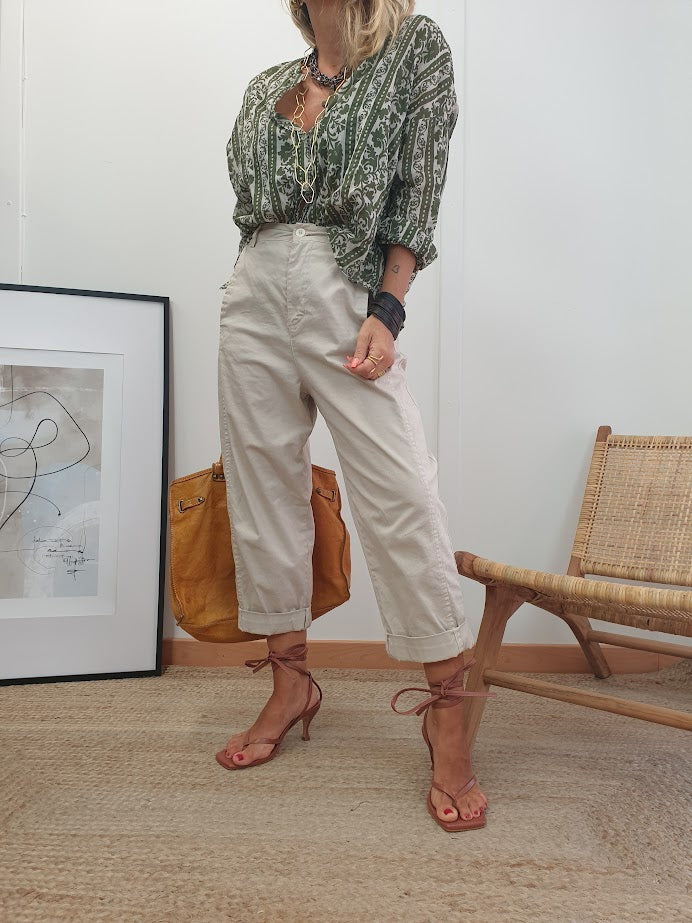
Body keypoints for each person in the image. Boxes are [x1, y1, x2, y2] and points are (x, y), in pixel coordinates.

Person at [216, 0, 493, 832]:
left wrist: (389, 309)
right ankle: (290, 684)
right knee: (264, 494)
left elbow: (419, 186)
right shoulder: (267, 83)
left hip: (347, 292)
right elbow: (254, 207)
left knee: (400, 493)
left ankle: (449, 709)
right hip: (255, 288)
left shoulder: (414, 51)